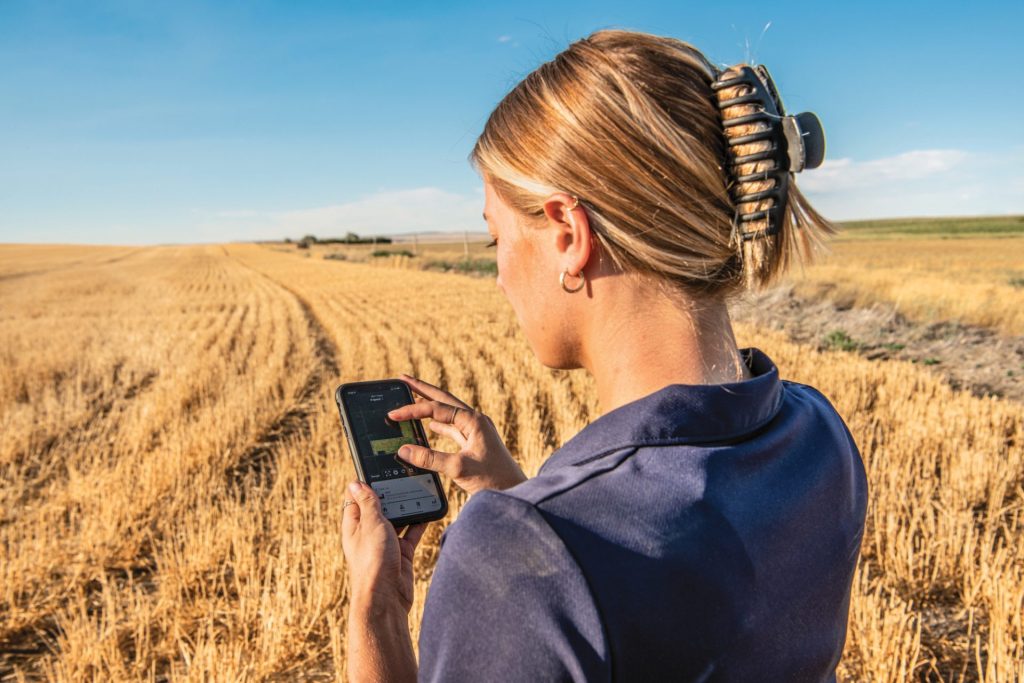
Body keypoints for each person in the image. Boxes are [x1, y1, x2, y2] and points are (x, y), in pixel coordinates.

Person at [340, 29, 868, 682]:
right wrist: (521, 501)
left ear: (569, 233)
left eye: (497, 238)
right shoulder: (820, 434)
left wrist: (376, 612)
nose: (500, 276)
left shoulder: (506, 559)